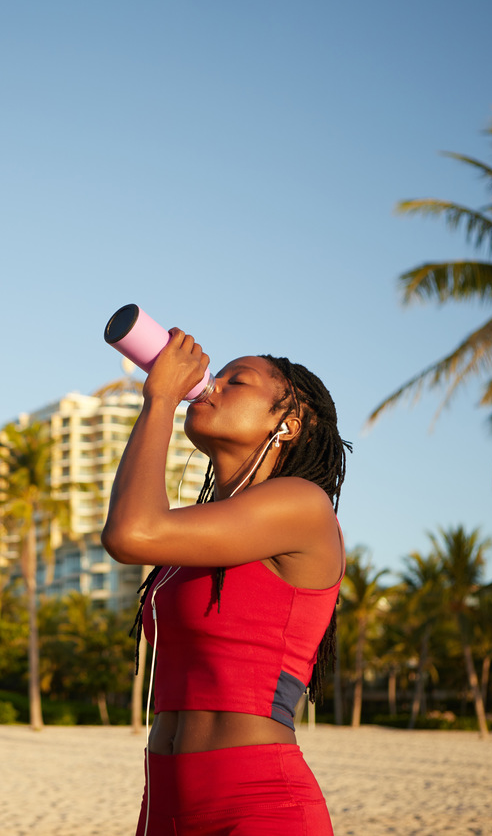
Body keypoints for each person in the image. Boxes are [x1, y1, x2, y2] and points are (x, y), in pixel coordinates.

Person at [102, 327, 349, 835]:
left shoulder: (303, 503)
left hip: (258, 804)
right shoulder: (204, 529)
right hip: (164, 802)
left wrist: (162, 397)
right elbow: (140, 528)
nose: (211, 385)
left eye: (237, 381)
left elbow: (130, 533)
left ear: (290, 423)